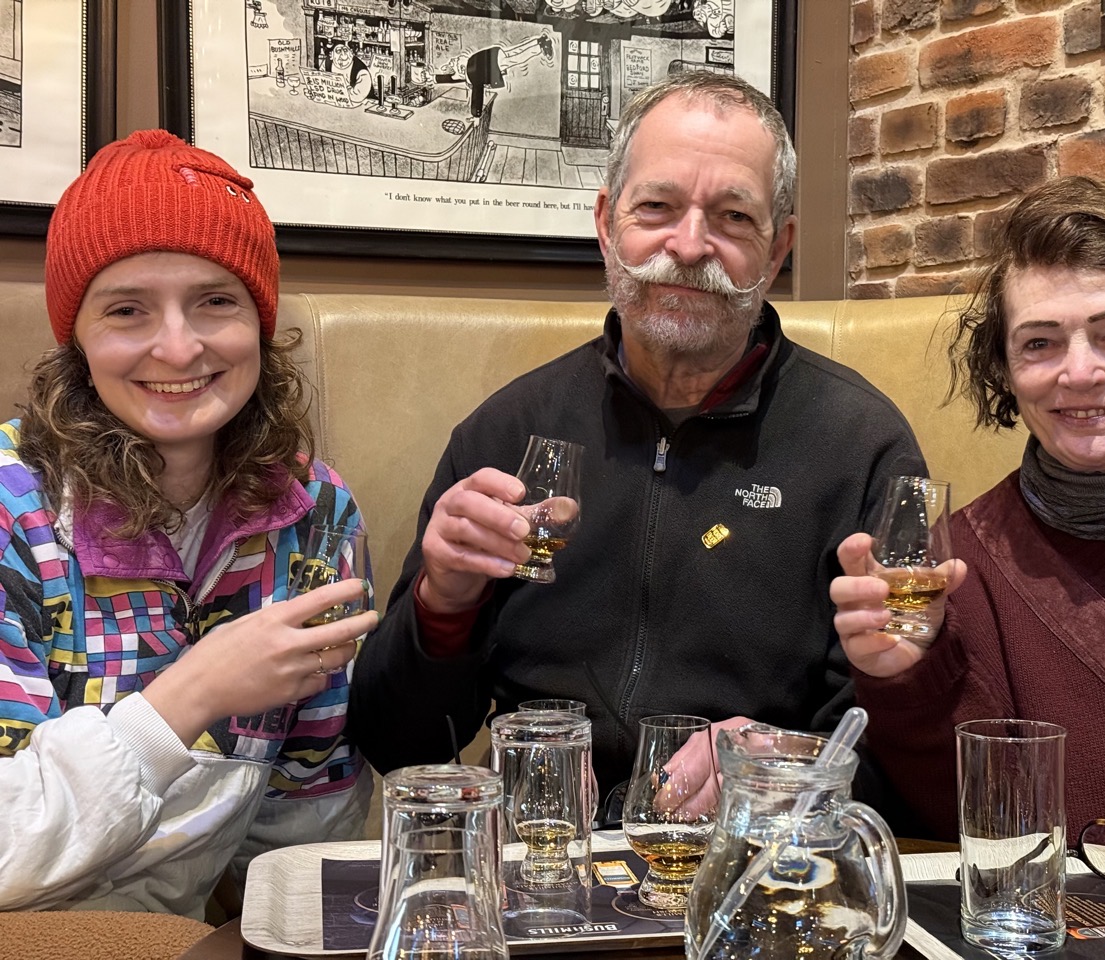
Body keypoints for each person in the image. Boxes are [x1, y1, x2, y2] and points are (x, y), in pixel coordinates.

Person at [350, 73, 925, 808]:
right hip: (546, 864)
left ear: (777, 249)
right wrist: (443, 604)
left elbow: (905, 769)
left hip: (757, 873)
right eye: (656, 207)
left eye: (732, 217)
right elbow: (398, 745)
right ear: (605, 223)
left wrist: (784, 766)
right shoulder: (507, 432)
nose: (689, 246)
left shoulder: (861, 445)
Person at [831, 176, 1105, 853]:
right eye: (1040, 343)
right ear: (1005, 370)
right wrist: (903, 681)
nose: (1078, 372)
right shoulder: (964, 562)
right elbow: (972, 826)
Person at [0, 130, 377, 915]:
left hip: (183, 936)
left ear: (260, 323)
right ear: (78, 338)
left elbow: (306, 806)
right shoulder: (14, 511)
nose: (178, 348)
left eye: (214, 301)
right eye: (128, 309)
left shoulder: (317, 518)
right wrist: (189, 695)